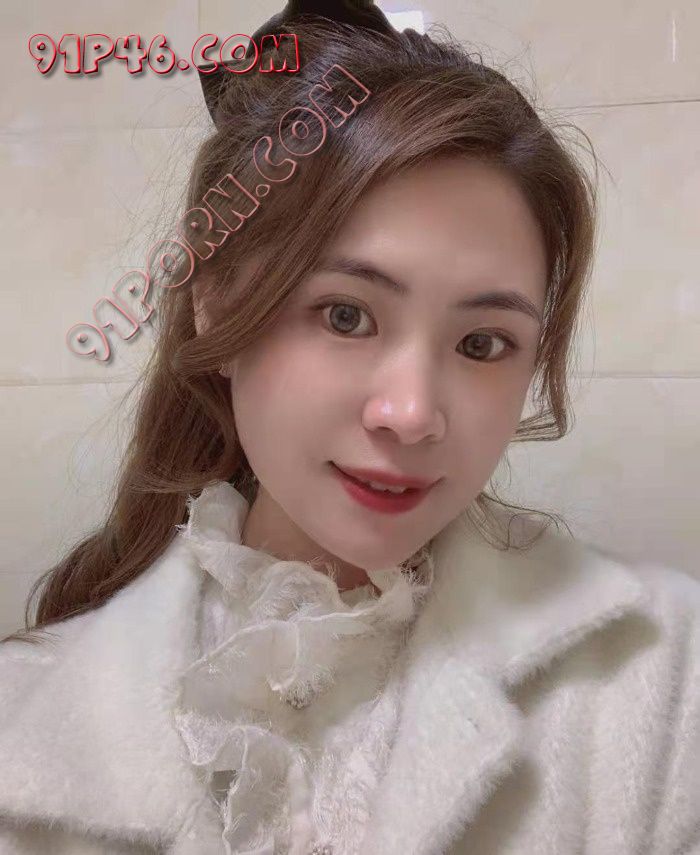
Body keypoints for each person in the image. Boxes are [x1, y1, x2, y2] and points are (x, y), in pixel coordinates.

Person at [1, 3, 698, 854]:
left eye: (483, 343)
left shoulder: (667, 681)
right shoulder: (24, 718)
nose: (412, 414)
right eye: (345, 315)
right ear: (216, 299)